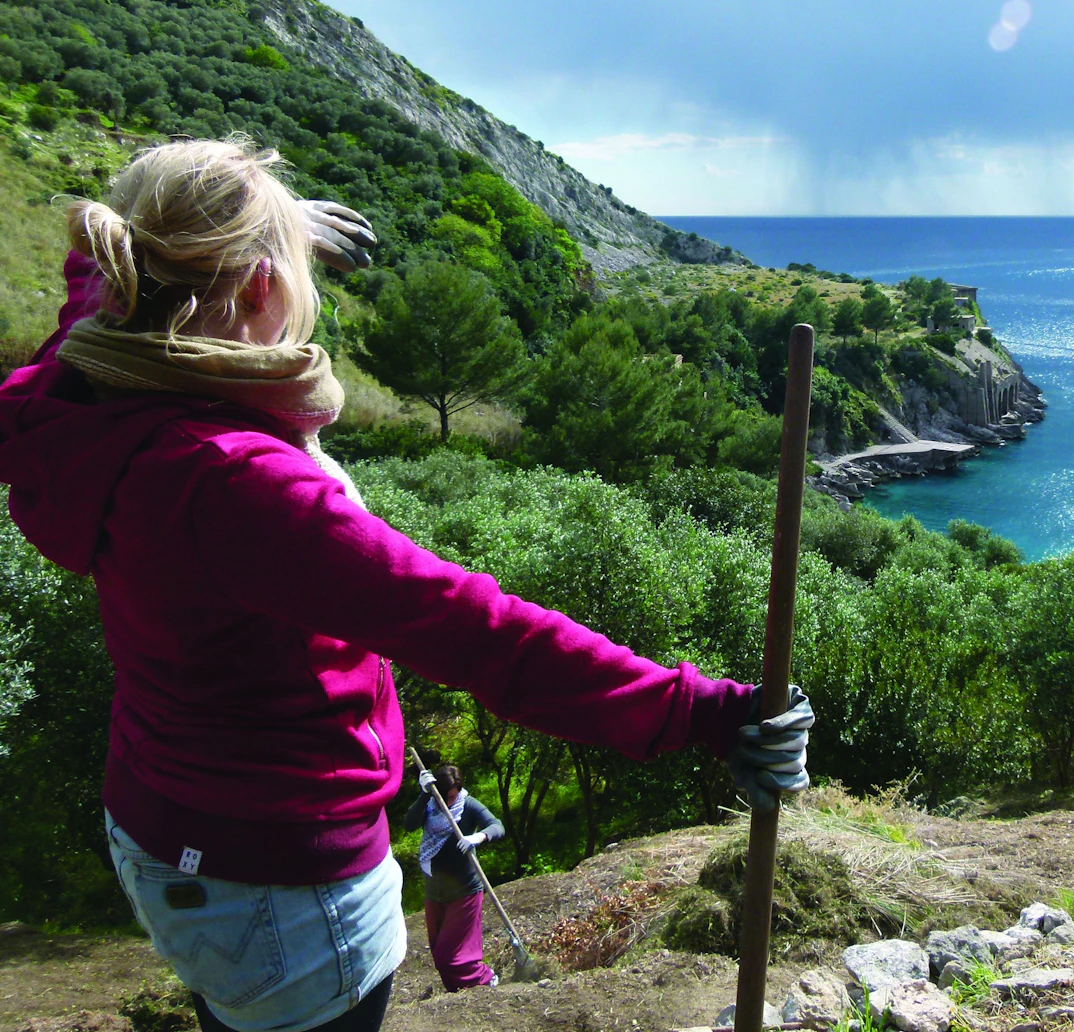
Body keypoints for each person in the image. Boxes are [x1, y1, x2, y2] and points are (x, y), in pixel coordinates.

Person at [0, 138, 813, 1032]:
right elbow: (476, 629)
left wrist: (276, 233)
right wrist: (703, 712)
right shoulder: (237, 485)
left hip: (165, 824)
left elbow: (99, 268)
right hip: (282, 879)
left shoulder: (82, 387)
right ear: (262, 288)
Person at [403, 764, 503, 991]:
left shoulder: (467, 805)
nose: (450, 801)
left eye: (453, 796)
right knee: (439, 954)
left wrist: (478, 837)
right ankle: (458, 991)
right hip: (434, 893)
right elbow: (408, 825)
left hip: (464, 891)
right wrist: (423, 794)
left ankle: (485, 980)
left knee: (453, 955)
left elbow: (497, 826)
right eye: (446, 796)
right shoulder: (429, 806)